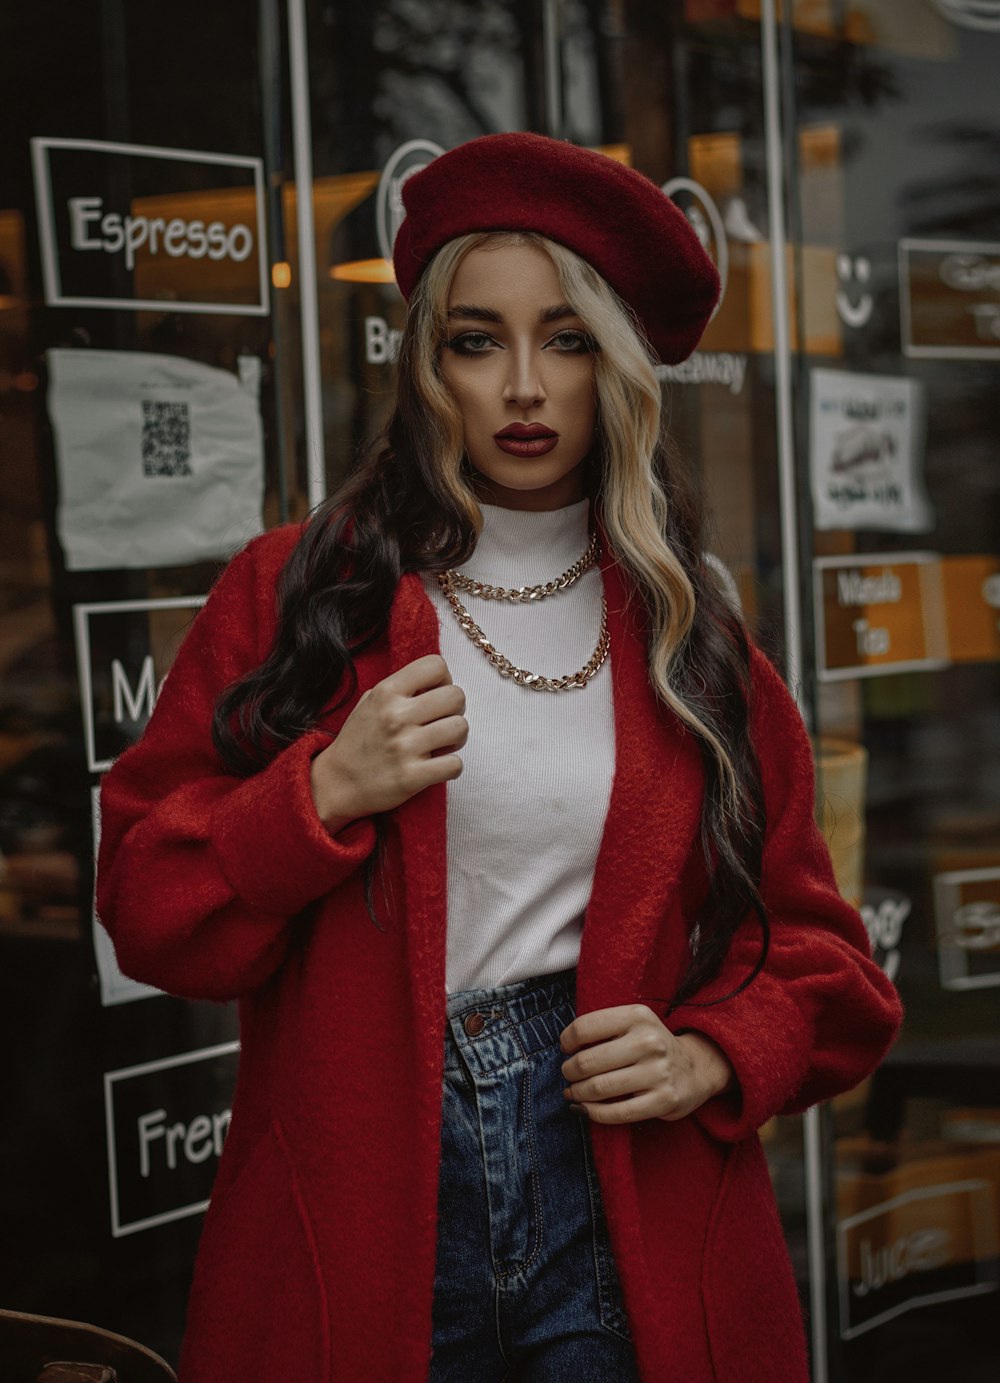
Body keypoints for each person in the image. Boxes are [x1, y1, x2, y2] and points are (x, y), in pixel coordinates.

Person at [96, 133, 902, 1383]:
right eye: (477, 340)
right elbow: (148, 909)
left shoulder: (694, 636)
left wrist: (710, 1053)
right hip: (370, 1195)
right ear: (429, 365)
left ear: (618, 367)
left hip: (616, 1189)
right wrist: (316, 795)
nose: (523, 386)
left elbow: (829, 965)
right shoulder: (301, 593)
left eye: (567, 339)